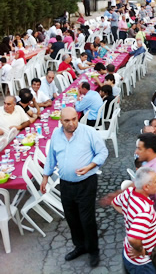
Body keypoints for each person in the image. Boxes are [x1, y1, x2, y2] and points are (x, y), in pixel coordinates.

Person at [41, 107, 108, 268]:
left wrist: (90, 166)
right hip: (66, 184)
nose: (71, 123)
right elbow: (51, 157)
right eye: (67, 121)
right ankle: (80, 246)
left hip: (86, 182)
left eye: (74, 119)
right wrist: (45, 177)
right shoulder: (56, 135)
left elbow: (102, 152)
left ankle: (93, 250)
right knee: (72, 218)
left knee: (87, 219)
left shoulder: (88, 132)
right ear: (60, 121)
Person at [111, 167, 156, 273]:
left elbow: (114, 203)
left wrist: (128, 213)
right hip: (143, 265)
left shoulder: (129, 192)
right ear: (146, 187)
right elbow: (133, 239)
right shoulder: (144, 211)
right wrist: (141, 250)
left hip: (128, 254)